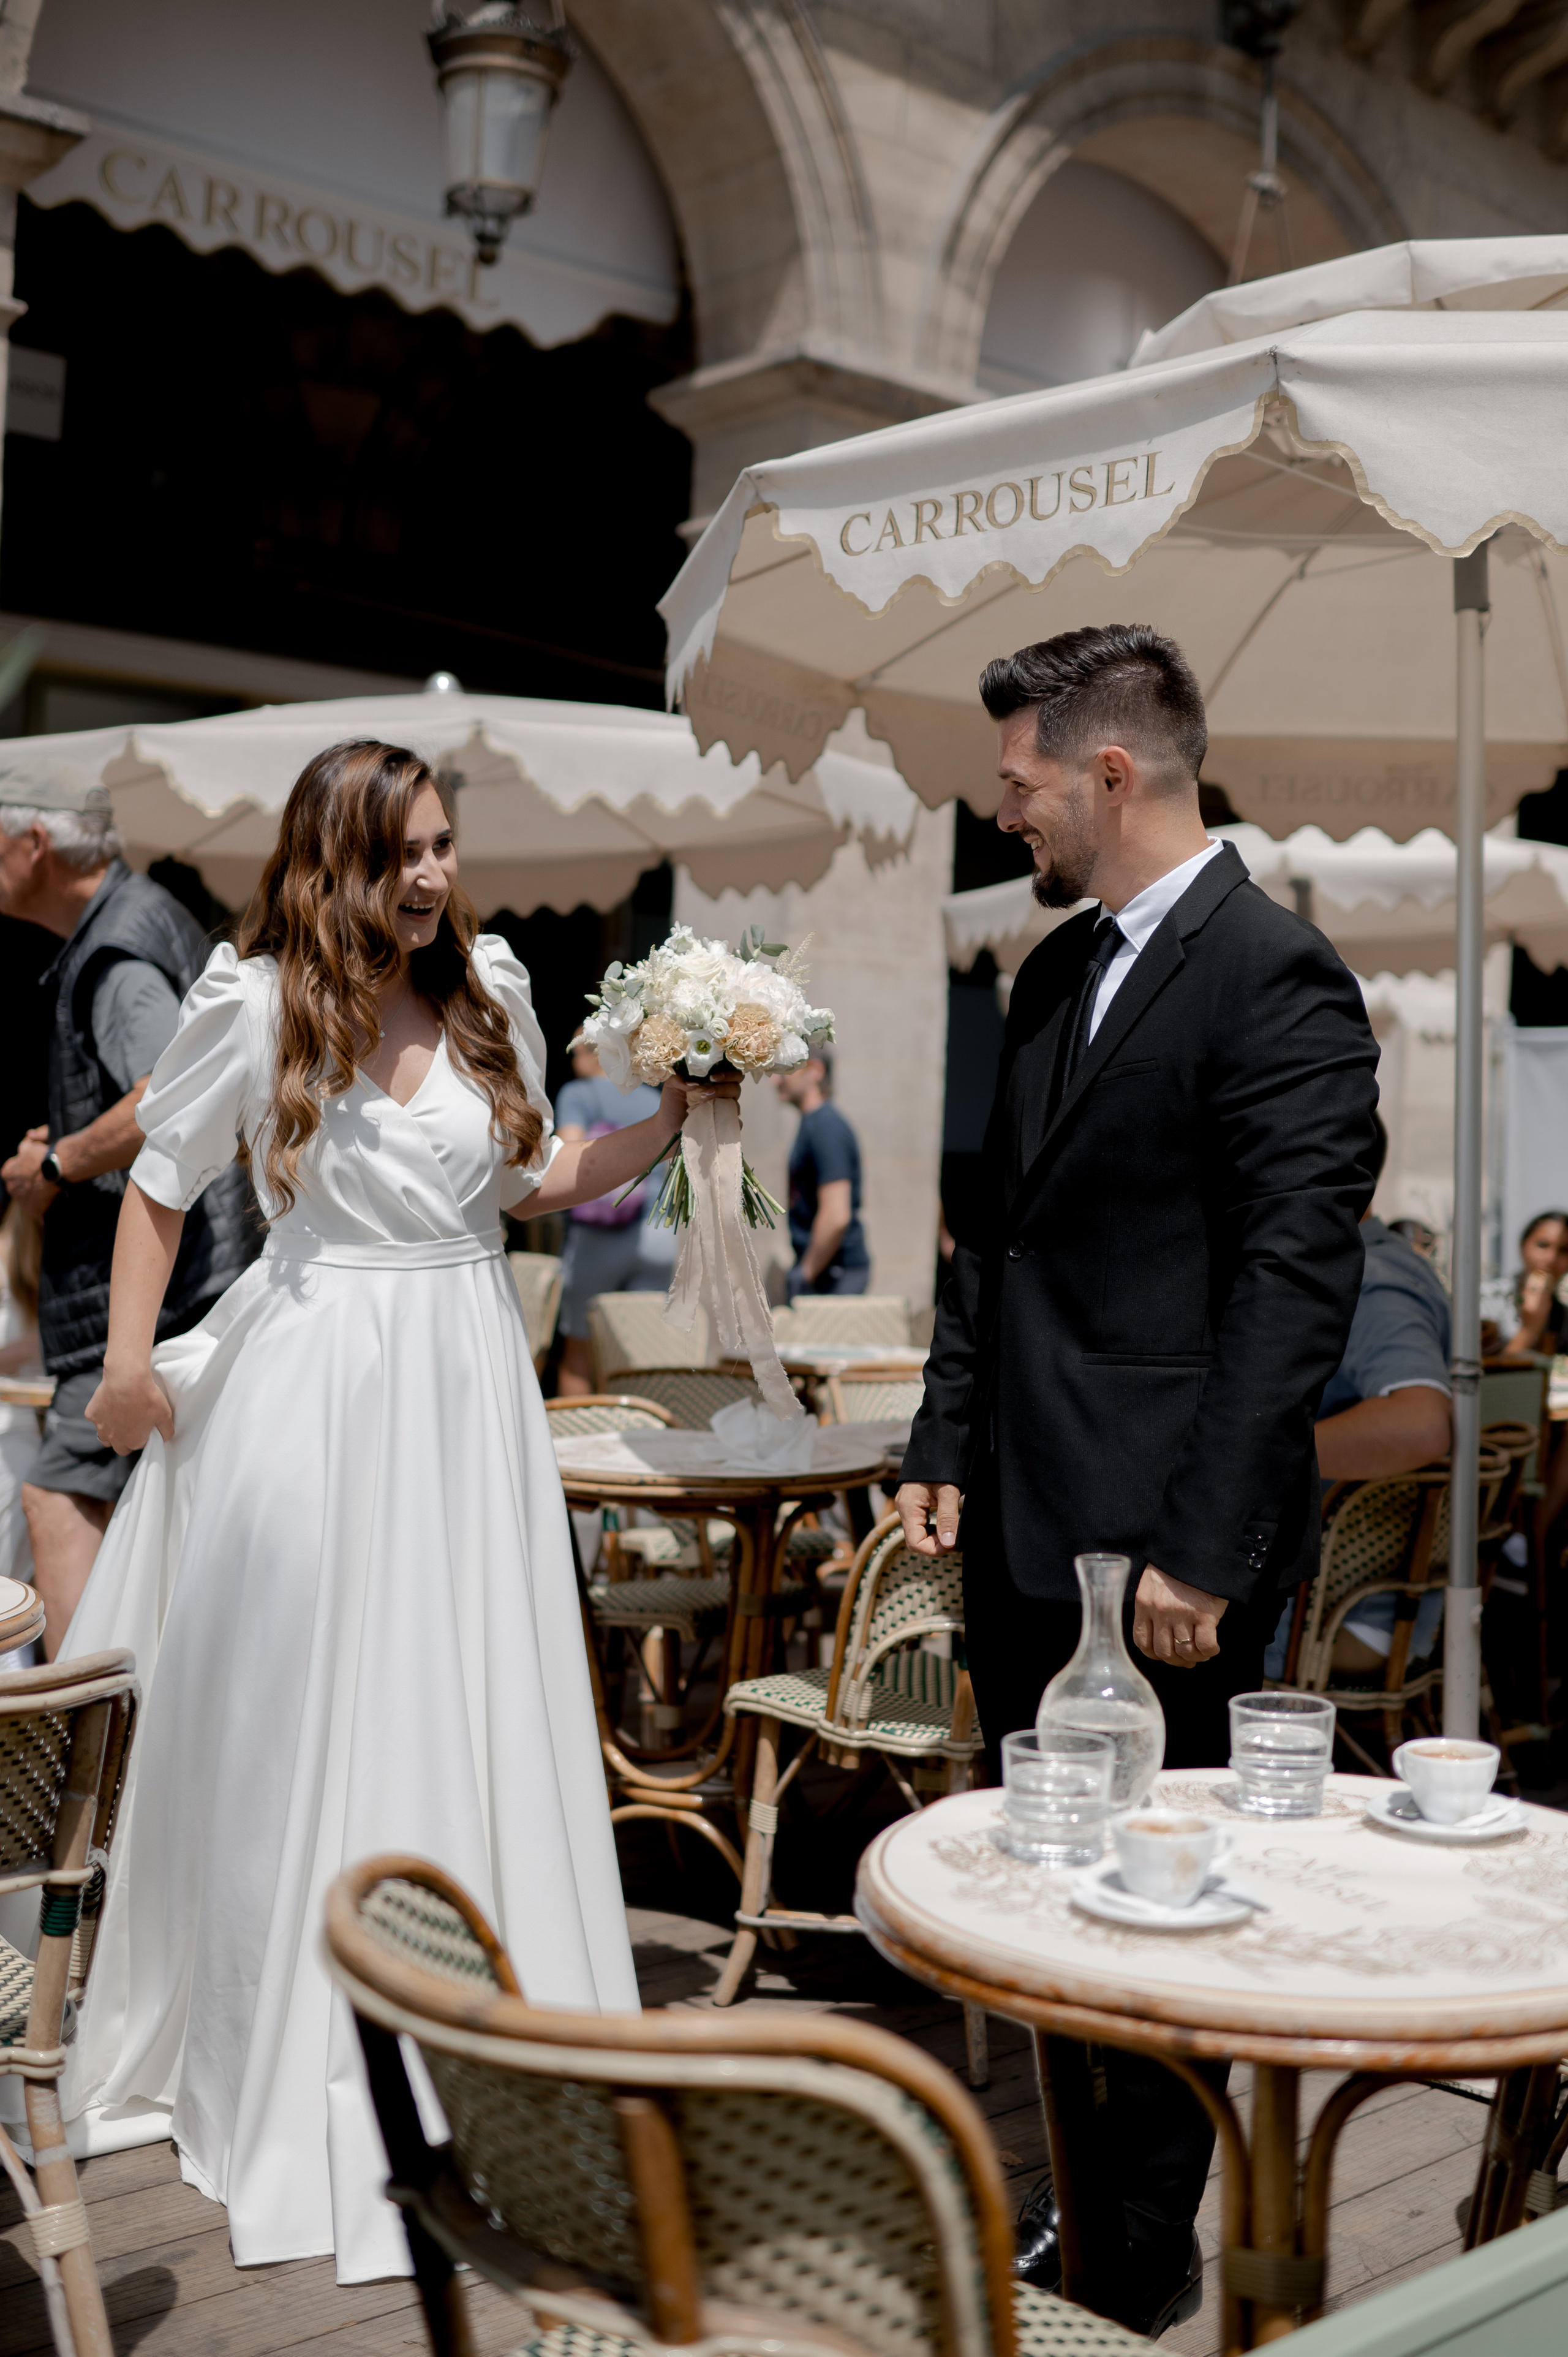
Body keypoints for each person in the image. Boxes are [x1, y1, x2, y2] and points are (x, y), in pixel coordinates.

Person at [55, 740, 733, 2283]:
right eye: (399, 852)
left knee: (465, 1701)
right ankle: (300, 2048)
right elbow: (159, 1182)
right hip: (315, 1392)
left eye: (439, 843)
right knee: (307, 1721)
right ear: (331, 858)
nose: (429, 873)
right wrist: (122, 1373)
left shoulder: (487, 981)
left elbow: (535, 1176)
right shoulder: (258, 998)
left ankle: (483, 2042)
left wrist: (675, 1119)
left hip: (463, 1389)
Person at [895, 624, 1379, 2337]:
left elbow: (1291, 1288)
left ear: (1109, 774)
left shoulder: (1278, 975)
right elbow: (994, 1239)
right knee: (1050, 1890)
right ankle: (1081, 2213)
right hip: (1022, 1525)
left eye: (1018, 780)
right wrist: (943, 1440)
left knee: (1161, 1915)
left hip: (1169, 1566)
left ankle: (1143, 2254)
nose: (1000, 807)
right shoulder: (1046, 972)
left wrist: (1204, 1546)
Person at [0, 760, 257, 1652]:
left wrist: (63, 1160)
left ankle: (84, 1757)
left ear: (35, 844)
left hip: (167, 1287)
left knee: (57, 1496)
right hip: (199, 1278)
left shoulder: (114, 948)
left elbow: (160, 1096)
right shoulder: (136, 920)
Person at [1264, 1116, 1453, 1678]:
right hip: (1362, 1602)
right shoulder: (1383, 1262)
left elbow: (1421, 1423)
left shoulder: (1370, 1280)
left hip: (1335, 1615)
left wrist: (1257, 1455)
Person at [551, 1036, 678, 1396]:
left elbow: (569, 1159)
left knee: (579, 1349)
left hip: (597, 1243)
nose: (572, 1057)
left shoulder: (578, 1094)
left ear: (597, 1053)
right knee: (639, 1352)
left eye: (574, 1048)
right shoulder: (655, 1101)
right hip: (657, 1238)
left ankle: (577, 1444)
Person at [774, 1048, 871, 1298]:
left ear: (816, 1070)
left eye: (785, 1069)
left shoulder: (826, 1127)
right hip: (826, 1272)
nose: (775, 1079)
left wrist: (806, 1272)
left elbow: (837, 1216)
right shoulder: (814, 1123)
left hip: (835, 1275)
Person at [1497, 1210, 1568, 1358]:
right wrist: (1529, 1328)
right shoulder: (1487, 1300)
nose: (1551, 1259)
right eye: (1543, 1245)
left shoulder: (1564, 1313)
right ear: (1523, 1246)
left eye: (1564, 1250)